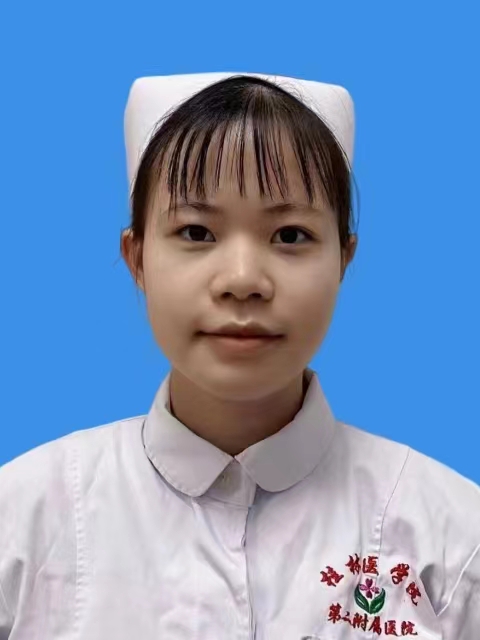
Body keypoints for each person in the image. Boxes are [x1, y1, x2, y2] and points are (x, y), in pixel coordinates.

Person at [0, 72, 478, 640]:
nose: (243, 280)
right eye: (196, 232)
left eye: (291, 235)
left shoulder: (453, 536)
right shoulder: (23, 520)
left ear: (343, 260)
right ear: (137, 259)